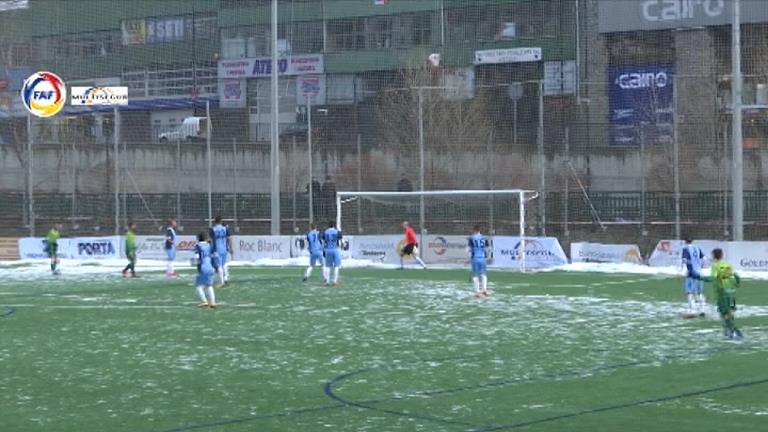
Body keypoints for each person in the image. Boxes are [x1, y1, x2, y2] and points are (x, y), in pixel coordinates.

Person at [697, 248, 743, 339]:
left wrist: (699, 277)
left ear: (714, 256)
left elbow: (712, 278)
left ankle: (735, 332)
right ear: (722, 255)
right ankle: (727, 331)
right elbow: (736, 276)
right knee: (730, 312)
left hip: (722, 293)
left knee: (723, 314)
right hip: (731, 292)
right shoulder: (727, 265)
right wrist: (736, 285)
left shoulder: (715, 266)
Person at [681, 237, 705, 313]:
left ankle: (691, 307)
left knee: (689, 290)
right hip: (699, 271)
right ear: (692, 241)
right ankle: (702, 306)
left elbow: (684, 260)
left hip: (691, 271)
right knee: (699, 290)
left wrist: (685, 269)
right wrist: (701, 266)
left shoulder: (685, 249)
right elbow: (704, 258)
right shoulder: (697, 248)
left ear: (685, 242)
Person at [194, 232, 217, 308]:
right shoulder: (209, 245)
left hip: (203, 267)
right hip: (210, 266)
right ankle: (213, 302)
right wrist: (215, 266)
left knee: (198, 286)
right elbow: (213, 256)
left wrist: (198, 267)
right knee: (209, 285)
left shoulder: (197, 246)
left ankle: (204, 301)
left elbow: (198, 258)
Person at [209, 216, 233, 286]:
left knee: (219, 265)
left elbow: (210, 241)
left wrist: (210, 250)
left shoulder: (212, 229)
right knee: (224, 263)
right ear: (221, 221)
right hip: (224, 249)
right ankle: (226, 278)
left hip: (217, 249)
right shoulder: (225, 229)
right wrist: (230, 248)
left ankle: (221, 282)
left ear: (215, 221)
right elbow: (229, 238)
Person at [468, 225, 490, 298]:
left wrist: (469, 257)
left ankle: (477, 292)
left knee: (475, 275)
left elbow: (468, 249)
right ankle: (484, 289)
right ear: (480, 230)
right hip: (483, 258)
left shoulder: (471, 238)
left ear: (474, 230)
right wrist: (486, 256)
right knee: (484, 274)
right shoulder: (484, 238)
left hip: (475, 258)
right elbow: (488, 248)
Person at [322, 220, 342, 286]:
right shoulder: (337, 232)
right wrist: (339, 229)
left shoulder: (325, 232)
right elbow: (340, 238)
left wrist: (323, 250)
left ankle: (327, 282)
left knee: (328, 266)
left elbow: (323, 241)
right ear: (334, 225)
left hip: (328, 250)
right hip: (335, 249)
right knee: (336, 266)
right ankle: (334, 282)